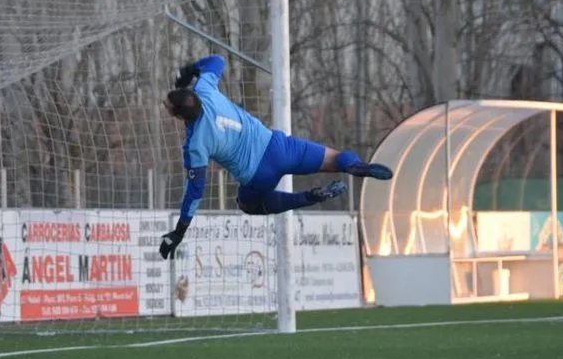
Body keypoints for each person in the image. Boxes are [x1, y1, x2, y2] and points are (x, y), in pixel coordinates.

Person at [158, 54, 393, 259]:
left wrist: (179, 231)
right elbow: (217, 60)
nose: (165, 105)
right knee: (335, 158)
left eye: (167, 106)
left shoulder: (195, 144)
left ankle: (311, 197)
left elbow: (195, 192)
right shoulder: (204, 89)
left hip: (258, 175)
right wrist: (190, 71)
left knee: (248, 204)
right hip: (278, 146)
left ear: (180, 117)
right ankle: (355, 165)